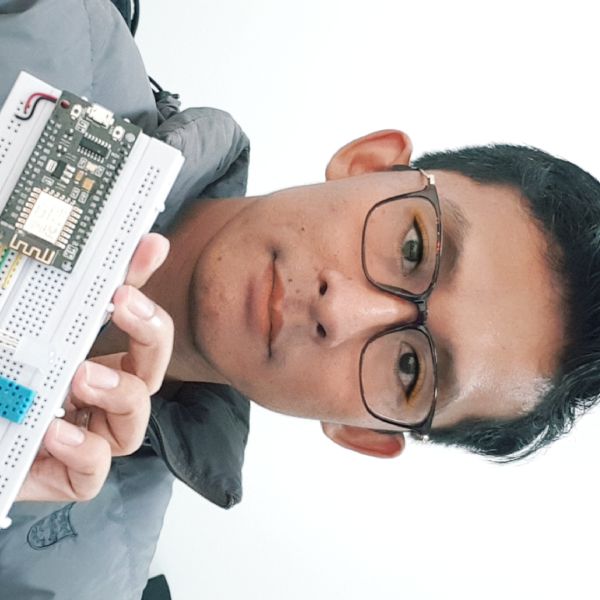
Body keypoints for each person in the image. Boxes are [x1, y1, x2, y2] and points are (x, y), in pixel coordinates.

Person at [1, 0, 600, 598]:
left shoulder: (70, 580)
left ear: (361, 432)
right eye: (414, 247)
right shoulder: (41, 25)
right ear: (367, 163)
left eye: (410, 368)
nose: (341, 312)